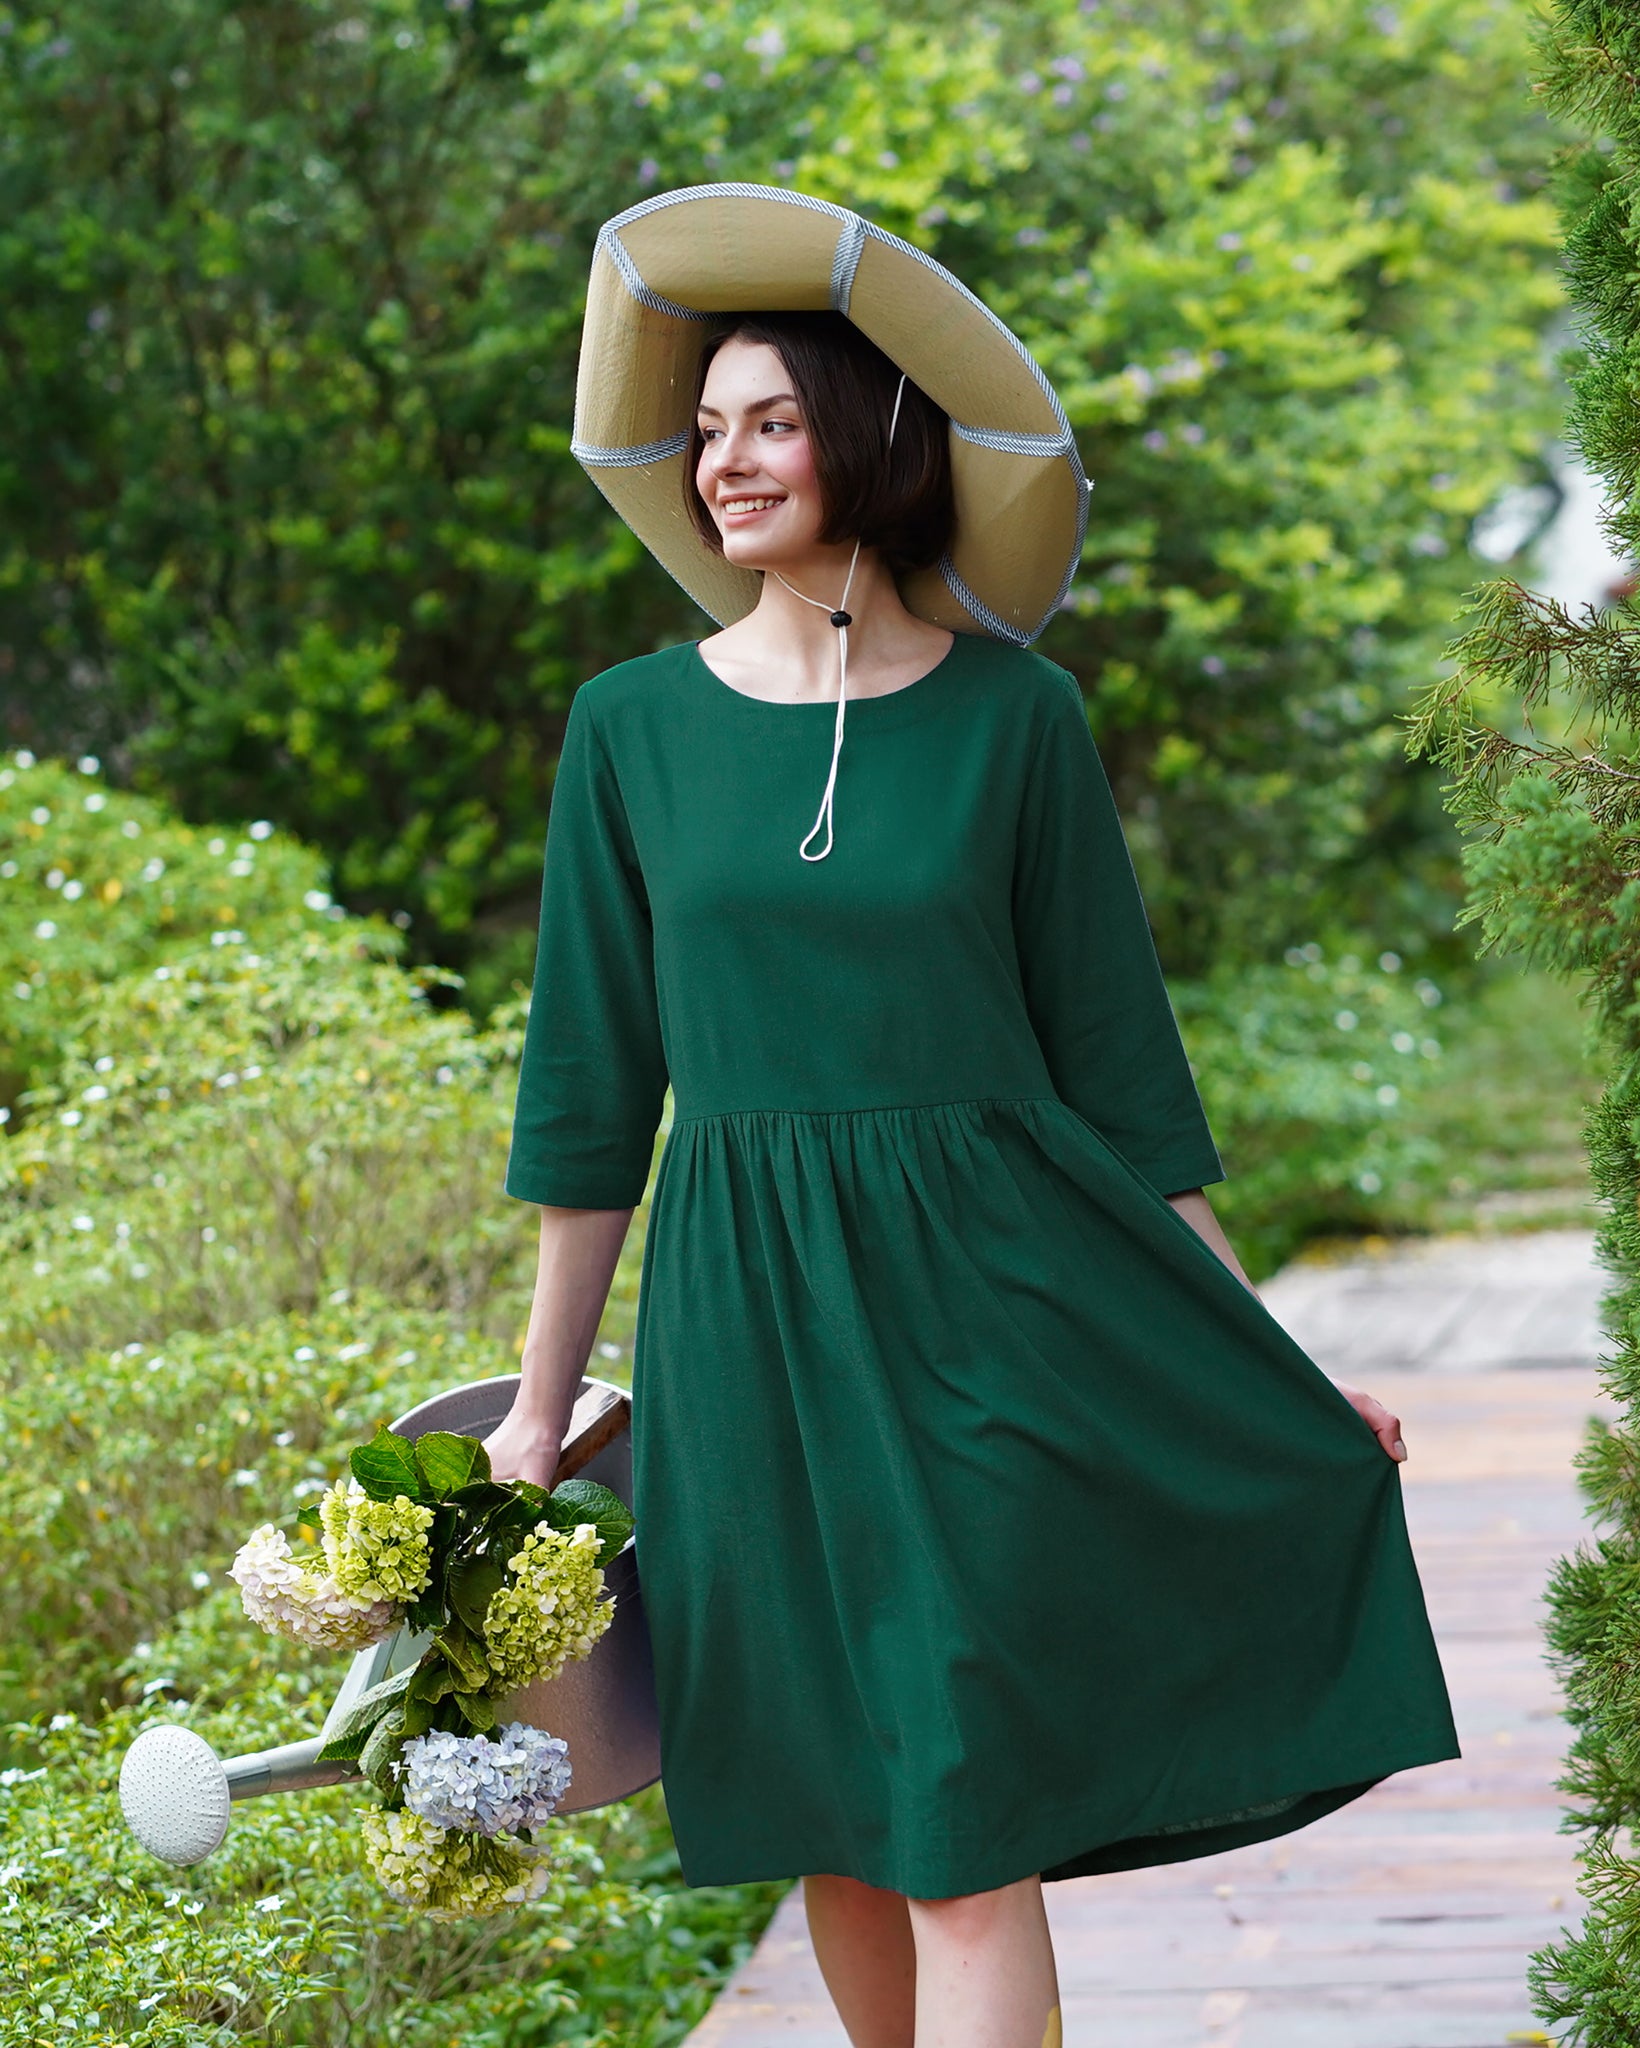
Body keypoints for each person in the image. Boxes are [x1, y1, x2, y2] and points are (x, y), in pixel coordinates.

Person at [484, 186, 1457, 2048]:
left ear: (868, 441)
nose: (723, 461)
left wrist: (1270, 1364)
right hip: (747, 1333)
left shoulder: (1018, 723)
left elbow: (1126, 1084)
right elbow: (590, 1099)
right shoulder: (629, 729)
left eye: (772, 421)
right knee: (837, 1821)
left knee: (958, 1820)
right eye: (706, 429)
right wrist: (537, 1414)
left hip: (991, 1313)